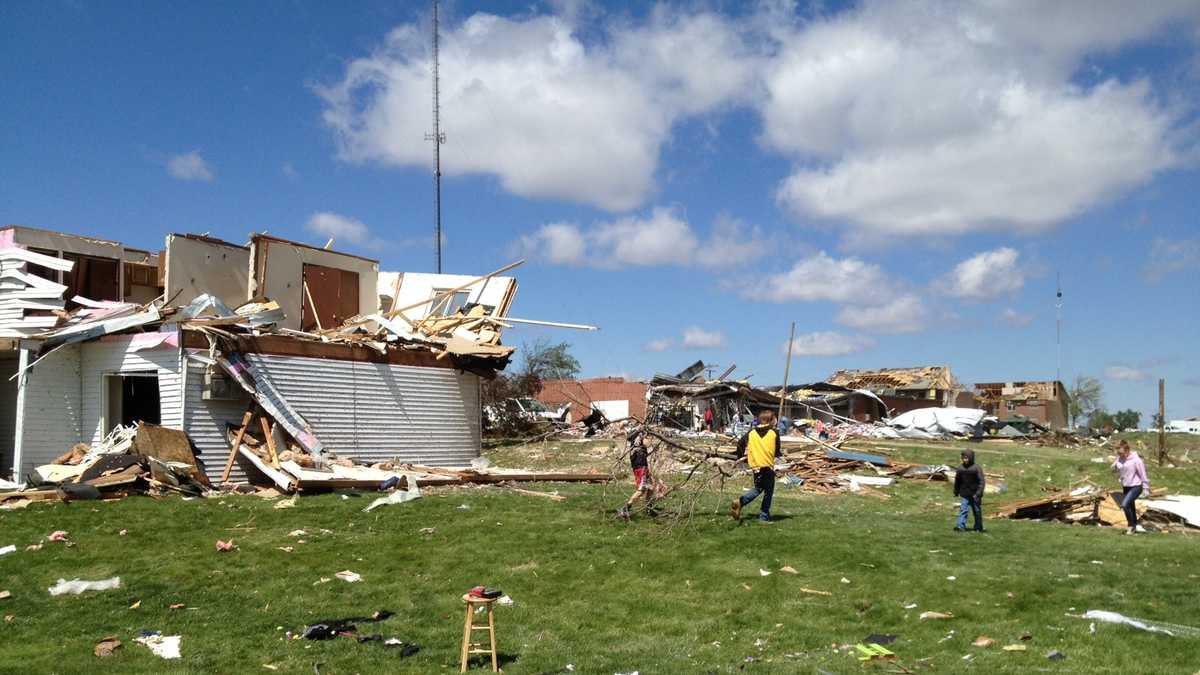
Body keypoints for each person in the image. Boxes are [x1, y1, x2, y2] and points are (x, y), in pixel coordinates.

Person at [732, 409, 780, 522]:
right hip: (767, 466)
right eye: (774, 419)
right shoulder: (774, 432)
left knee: (759, 488)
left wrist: (741, 457)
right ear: (771, 420)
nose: (776, 421)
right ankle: (763, 515)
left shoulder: (752, 432)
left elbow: (740, 443)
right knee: (768, 491)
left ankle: (741, 502)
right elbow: (777, 450)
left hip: (756, 467)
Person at [618, 430, 664, 519]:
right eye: (648, 438)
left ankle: (648, 508)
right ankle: (625, 508)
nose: (650, 440)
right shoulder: (640, 437)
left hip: (642, 467)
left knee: (651, 486)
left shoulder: (637, 446)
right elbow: (646, 444)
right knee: (641, 490)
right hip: (640, 468)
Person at [1111, 440, 1150, 534]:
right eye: (1118, 453)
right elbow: (1116, 469)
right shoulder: (1120, 458)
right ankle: (1134, 526)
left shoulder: (1136, 460)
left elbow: (1143, 474)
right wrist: (1114, 467)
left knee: (1125, 505)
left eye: (1121, 453)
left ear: (1127, 450)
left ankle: (1130, 526)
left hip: (1136, 486)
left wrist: (1146, 488)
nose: (1120, 455)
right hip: (1126, 486)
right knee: (1131, 507)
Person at [953, 449, 985, 532]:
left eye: (966, 458)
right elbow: (957, 481)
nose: (965, 460)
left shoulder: (976, 468)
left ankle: (978, 527)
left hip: (975, 493)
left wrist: (978, 493)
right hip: (965, 493)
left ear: (971, 458)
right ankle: (960, 526)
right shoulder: (960, 468)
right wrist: (956, 491)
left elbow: (981, 482)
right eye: (963, 458)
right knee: (963, 510)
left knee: (976, 511)